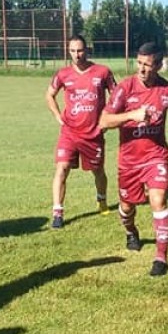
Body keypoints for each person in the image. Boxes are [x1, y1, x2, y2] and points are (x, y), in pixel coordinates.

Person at [99, 42, 168, 277]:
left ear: (159, 65)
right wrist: (131, 115)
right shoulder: (124, 88)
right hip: (129, 161)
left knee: (158, 200)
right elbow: (104, 121)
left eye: (148, 65)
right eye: (139, 63)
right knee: (126, 208)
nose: (142, 69)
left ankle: (161, 258)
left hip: (156, 157)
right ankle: (131, 231)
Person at [45, 35, 117, 229]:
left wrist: (108, 119)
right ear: (68, 51)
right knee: (62, 169)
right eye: (73, 51)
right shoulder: (63, 74)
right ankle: (57, 213)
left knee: (98, 171)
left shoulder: (102, 72)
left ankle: (101, 200)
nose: (77, 55)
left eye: (80, 50)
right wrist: (58, 115)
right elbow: (49, 95)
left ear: (87, 50)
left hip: (93, 134)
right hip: (69, 132)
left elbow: (117, 96)